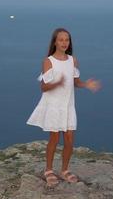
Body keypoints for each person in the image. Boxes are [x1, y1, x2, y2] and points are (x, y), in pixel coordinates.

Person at [26, 27, 102, 187]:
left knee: (69, 139)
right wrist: (57, 83)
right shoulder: (48, 61)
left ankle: (65, 170)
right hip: (54, 105)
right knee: (54, 138)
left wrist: (86, 84)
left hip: (68, 105)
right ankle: (48, 170)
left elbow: (75, 82)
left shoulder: (72, 60)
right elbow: (44, 87)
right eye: (61, 40)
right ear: (55, 42)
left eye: (67, 40)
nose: (64, 43)